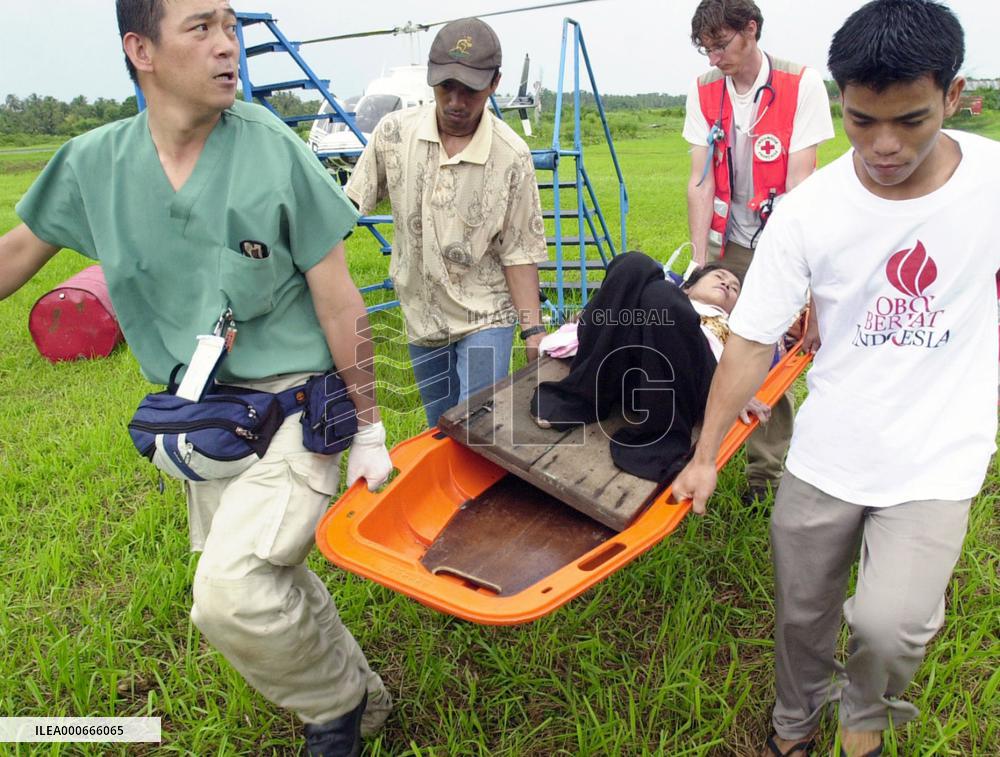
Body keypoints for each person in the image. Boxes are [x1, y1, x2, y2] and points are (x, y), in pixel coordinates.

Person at [0, 1, 394, 754]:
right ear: (140, 49)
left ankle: (334, 709)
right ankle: (365, 698)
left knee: (229, 594)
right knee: (266, 577)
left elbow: (338, 296)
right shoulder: (96, 164)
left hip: (294, 408)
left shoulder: (271, 146)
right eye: (201, 28)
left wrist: (371, 425)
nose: (226, 46)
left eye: (229, 26)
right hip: (202, 421)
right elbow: (17, 254)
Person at [672, 2, 998, 755]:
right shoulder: (811, 210)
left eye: (910, 121)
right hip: (828, 451)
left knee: (891, 623)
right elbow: (752, 339)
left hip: (936, 458)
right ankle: (793, 723)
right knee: (800, 611)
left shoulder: (991, 182)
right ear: (841, 103)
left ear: (954, 96)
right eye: (861, 121)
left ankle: (865, 717)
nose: (883, 146)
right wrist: (704, 455)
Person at [346, 17, 548, 428]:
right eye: (445, 87)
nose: (455, 101)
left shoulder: (512, 156)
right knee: (440, 426)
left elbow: (520, 251)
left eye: (470, 90)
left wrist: (532, 332)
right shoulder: (394, 134)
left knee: (477, 425)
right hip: (422, 312)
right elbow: (348, 205)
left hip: (485, 313)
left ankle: (482, 487)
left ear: (494, 83)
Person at [684, 0, 834, 502]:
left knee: (769, 354)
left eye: (721, 45)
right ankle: (694, 453)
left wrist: (803, 275)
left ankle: (763, 476)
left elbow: (802, 183)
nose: (714, 59)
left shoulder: (800, 83)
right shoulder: (705, 89)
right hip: (727, 242)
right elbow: (699, 181)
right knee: (710, 341)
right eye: (706, 49)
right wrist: (701, 259)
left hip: (780, 240)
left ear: (751, 30)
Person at [531, 252, 769, 483]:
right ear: (688, 286)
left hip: (684, 383)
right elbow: (596, 321)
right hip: (619, 370)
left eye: (734, 287)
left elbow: (747, 361)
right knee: (634, 263)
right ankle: (582, 398)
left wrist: (738, 392)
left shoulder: (734, 328)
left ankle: (660, 440)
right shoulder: (659, 296)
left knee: (664, 296)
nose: (726, 283)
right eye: (719, 277)